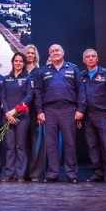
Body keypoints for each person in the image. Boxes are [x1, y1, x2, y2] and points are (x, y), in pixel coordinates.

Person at [34, 44, 85, 184]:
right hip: (49, 110)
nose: (55, 52)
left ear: (63, 52)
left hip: (68, 109)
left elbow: (81, 91)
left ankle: (71, 174)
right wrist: (39, 111)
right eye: (52, 51)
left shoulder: (73, 69)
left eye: (57, 50)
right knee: (51, 144)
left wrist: (80, 109)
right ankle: (52, 173)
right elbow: (38, 92)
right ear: (49, 55)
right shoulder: (43, 71)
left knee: (70, 143)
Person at [80, 49, 106, 184]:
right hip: (87, 116)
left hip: (103, 115)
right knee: (92, 146)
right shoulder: (81, 76)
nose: (90, 58)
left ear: (97, 58)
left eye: (93, 56)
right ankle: (98, 173)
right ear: (84, 60)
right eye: (88, 57)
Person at [0, 52, 34, 182]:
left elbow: (29, 97)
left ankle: (20, 174)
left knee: (20, 146)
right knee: (10, 146)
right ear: (12, 62)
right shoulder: (6, 79)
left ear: (24, 63)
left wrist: (15, 110)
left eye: (21, 61)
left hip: (22, 117)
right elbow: (2, 97)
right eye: (16, 61)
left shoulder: (28, 78)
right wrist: (7, 113)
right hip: (8, 117)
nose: (18, 63)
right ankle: (9, 173)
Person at [23, 44, 44, 182]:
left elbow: (41, 93)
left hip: (35, 111)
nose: (30, 55)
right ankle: (22, 172)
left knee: (35, 143)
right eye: (28, 53)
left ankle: (34, 173)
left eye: (32, 53)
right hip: (21, 111)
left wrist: (40, 111)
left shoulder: (39, 72)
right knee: (22, 143)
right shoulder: (20, 71)